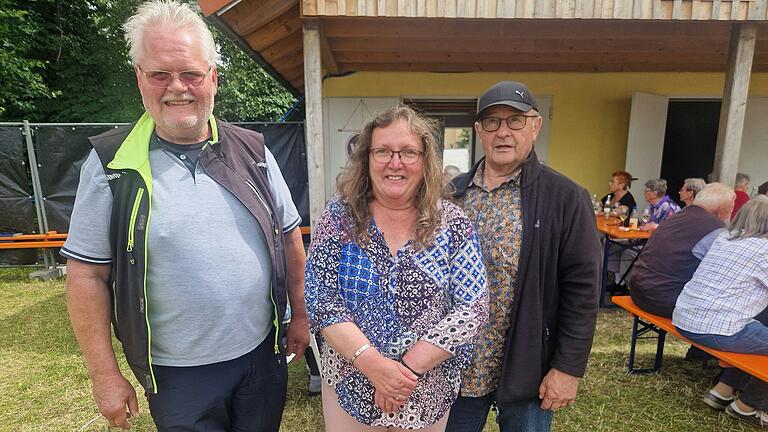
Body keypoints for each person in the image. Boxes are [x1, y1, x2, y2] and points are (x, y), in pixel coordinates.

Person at [62, 1, 309, 430]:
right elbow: (86, 276)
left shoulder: (254, 152)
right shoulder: (111, 164)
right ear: (139, 78)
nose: (178, 87)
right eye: (160, 74)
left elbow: (289, 239)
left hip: (261, 357)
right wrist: (104, 375)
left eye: (191, 73)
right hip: (177, 373)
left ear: (213, 78)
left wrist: (301, 317)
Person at [305, 105, 489, 431]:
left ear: (425, 160)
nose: (395, 163)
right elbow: (320, 297)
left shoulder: (453, 222)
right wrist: (375, 367)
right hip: (353, 379)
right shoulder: (340, 217)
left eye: (408, 152)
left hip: (426, 384)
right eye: (383, 151)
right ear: (366, 158)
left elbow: (473, 307)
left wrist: (406, 371)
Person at [446, 81, 602, 432]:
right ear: (478, 131)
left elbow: (582, 290)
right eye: (492, 122)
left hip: (528, 361)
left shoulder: (564, 197)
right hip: (457, 362)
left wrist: (568, 368)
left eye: (515, 120)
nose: (503, 132)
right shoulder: (451, 195)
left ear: (535, 126)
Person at [673, 196, 768, 429]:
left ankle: (723, 390)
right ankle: (747, 406)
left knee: (757, 329)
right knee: (755, 330)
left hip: (685, 317)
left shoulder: (723, 237)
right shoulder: (764, 248)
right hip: (717, 328)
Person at [630, 183, 735, 317]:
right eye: (731, 208)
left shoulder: (674, 218)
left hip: (638, 290)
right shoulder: (717, 229)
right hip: (666, 301)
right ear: (722, 210)